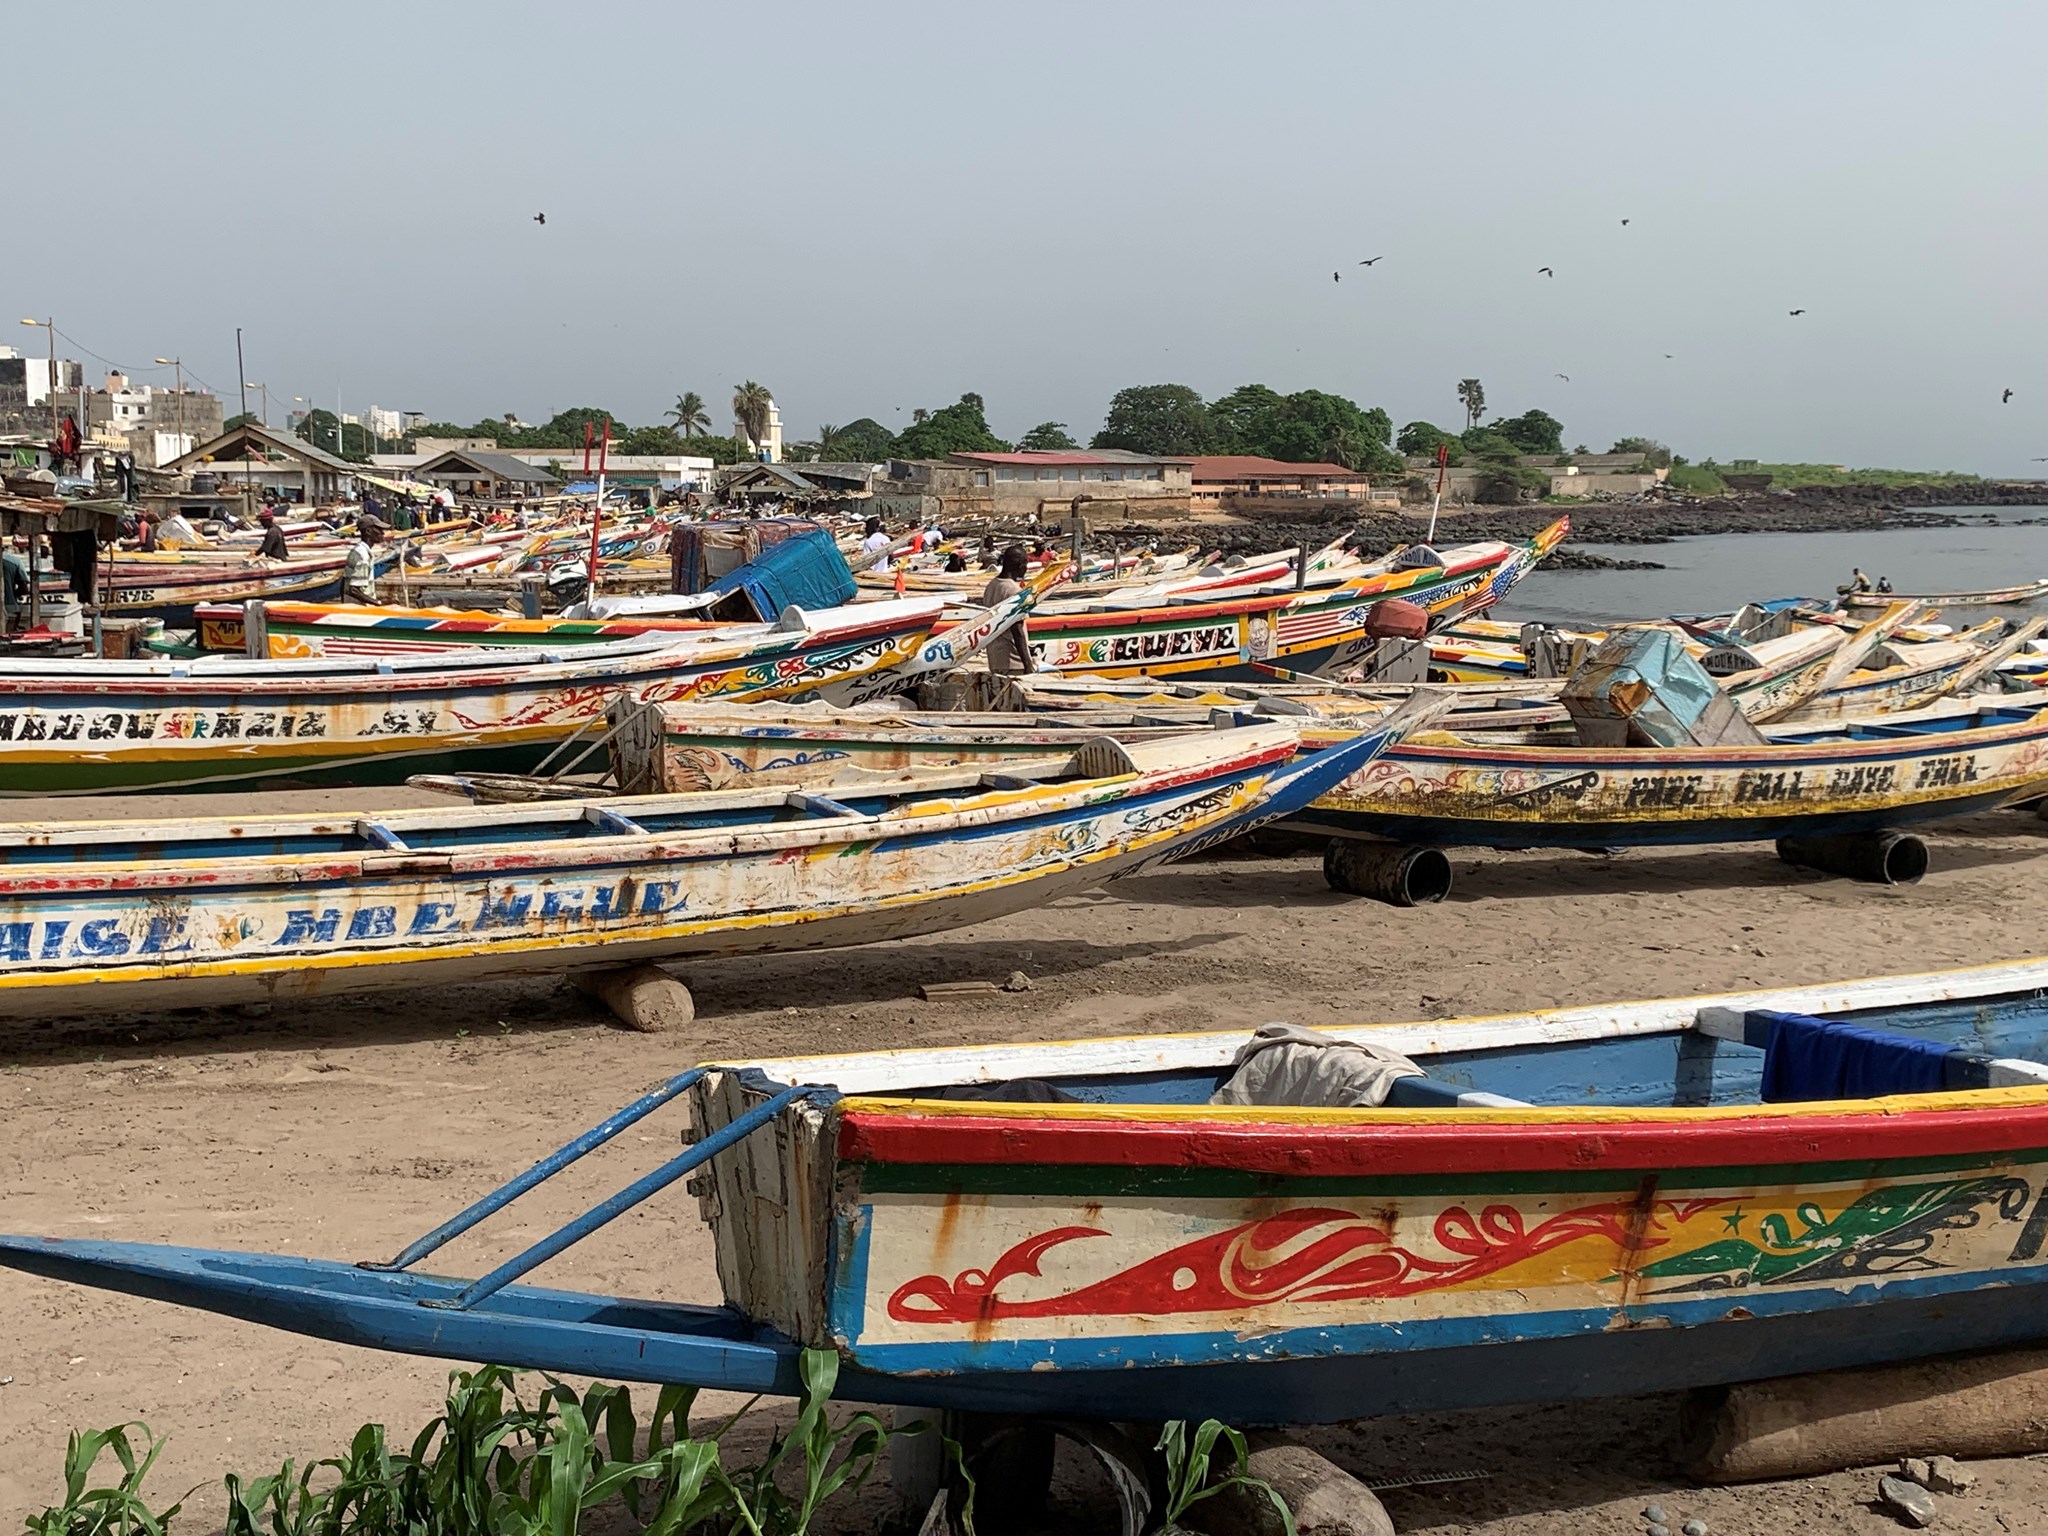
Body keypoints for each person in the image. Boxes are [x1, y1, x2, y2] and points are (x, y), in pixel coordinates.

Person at [982, 545, 1035, 675]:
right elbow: (1017, 631)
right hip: (1013, 661)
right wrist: (1028, 665)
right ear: (1019, 565)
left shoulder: (991, 586)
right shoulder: (1014, 591)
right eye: (1025, 564)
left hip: (995, 658)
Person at [344, 514, 387, 604]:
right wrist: (378, 603)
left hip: (351, 606)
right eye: (379, 529)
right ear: (368, 531)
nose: (383, 533)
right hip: (360, 609)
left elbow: (344, 582)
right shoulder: (363, 556)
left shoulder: (356, 550)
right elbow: (354, 590)